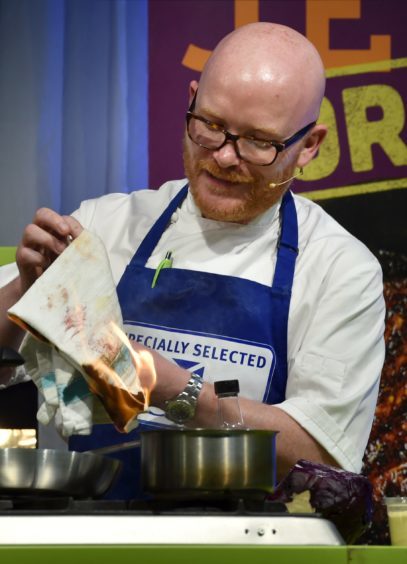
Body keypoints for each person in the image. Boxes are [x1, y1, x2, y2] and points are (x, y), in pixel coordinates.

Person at [0, 22, 385, 499]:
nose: (225, 156)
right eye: (211, 126)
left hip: (252, 543)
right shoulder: (106, 226)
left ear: (309, 146)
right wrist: (23, 293)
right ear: (192, 100)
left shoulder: (340, 269)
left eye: (259, 141)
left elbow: (322, 453)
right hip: (91, 532)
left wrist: (169, 386)